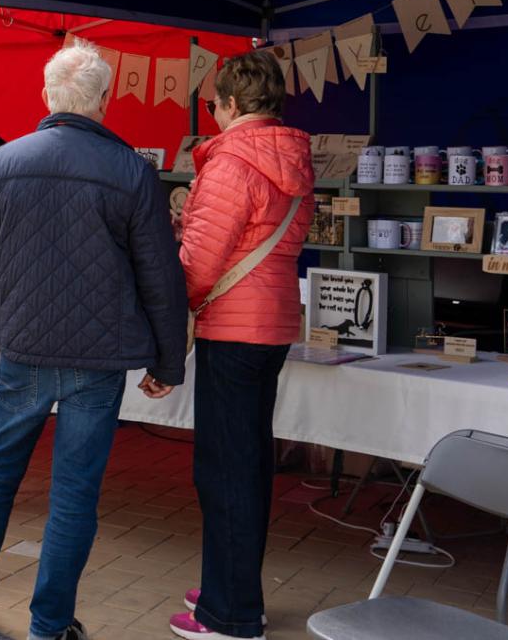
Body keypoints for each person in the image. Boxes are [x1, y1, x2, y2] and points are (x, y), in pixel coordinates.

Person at [0, 40, 188, 640]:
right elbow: (160, 277)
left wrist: (2, 329)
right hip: (97, 358)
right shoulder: (131, 171)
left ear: (46, 96)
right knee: (74, 494)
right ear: (104, 102)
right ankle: (49, 625)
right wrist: (167, 360)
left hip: (24, 349)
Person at [170, 49, 313, 640]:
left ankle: (230, 613)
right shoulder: (293, 156)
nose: (213, 115)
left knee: (224, 469)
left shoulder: (231, 160)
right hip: (272, 319)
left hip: (232, 323)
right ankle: (233, 589)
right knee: (248, 462)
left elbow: (200, 266)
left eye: (213, 105)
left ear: (230, 103)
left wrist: (171, 294)